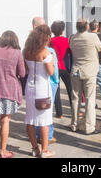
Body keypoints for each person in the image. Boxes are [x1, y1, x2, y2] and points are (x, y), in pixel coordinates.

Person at [69, 19, 101, 135]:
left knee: (76, 99)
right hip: (90, 71)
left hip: (76, 70)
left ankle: (74, 124)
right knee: (90, 99)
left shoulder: (72, 38)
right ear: (87, 27)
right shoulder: (93, 37)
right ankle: (89, 127)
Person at [23, 25, 55, 158]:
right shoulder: (46, 53)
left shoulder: (26, 51)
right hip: (43, 88)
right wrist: (52, 61)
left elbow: (26, 70)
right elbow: (51, 72)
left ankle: (35, 148)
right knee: (44, 121)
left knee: (30, 119)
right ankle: (45, 150)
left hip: (30, 87)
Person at [32, 17, 59, 145]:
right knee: (47, 112)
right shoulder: (49, 52)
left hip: (33, 84)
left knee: (37, 111)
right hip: (48, 84)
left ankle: (38, 135)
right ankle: (47, 137)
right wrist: (56, 82)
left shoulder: (28, 50)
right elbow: (53, 72)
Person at [50, 21, 72, 118]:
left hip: (55, 67)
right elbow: (71, 53)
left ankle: (59, 113)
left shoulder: (50, 41)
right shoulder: (66, 40)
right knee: (71, 89)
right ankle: (75, 110)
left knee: (57, 90)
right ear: (62, 30)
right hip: (65, 67)